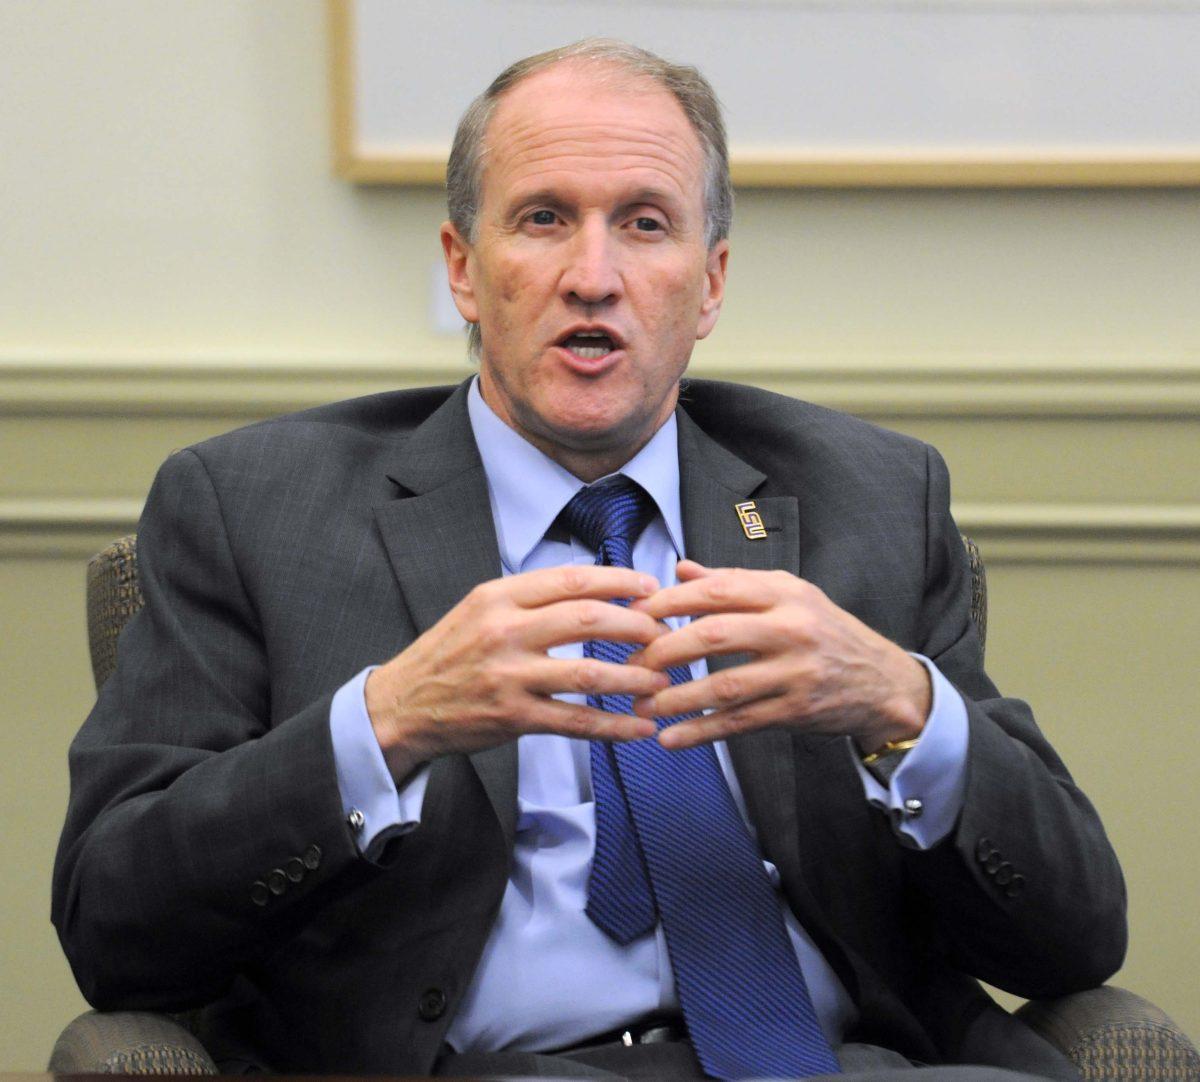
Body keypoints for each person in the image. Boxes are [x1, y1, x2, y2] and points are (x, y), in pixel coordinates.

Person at [53, 39, 1126, 1081]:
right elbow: (117, 925)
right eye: (543, 219)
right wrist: (389, 720)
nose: (593, 275)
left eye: (645, 225)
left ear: (708, 286)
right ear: (464, 269)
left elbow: (1076, 934)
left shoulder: (872, 497)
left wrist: (897, 700)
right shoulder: (251, 508)